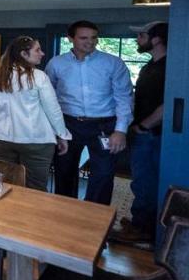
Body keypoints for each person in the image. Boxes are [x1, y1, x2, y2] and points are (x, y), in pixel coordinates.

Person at [45, 20, 132, 204]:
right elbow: (48, 97)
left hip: (105, 125)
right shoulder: (56, 64)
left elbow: (124, 97)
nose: (90, 42)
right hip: (68, 124)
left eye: (94, 38)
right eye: (83, 38)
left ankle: (95, 219)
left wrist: (120, 130)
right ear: (70, 38)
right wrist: (54, 129)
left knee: (103, 174)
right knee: (64, 170)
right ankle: (65, 212)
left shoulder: (113, 63)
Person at [0, 36, 70, 192]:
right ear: (24, 54)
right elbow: (53, 110)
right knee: (35, 187)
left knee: (5, 184)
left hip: (2, 138)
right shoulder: (39, 76)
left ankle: (6, 215)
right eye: (37, 50)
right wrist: (62, 134)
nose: (42, 53)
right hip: (35, 140)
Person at [114, 21, 168, 244]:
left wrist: (144, 126)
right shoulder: (150, 66)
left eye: (142, 35)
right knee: (141, 180)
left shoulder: (169, 68)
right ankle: (140, 223)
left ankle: (144, 231)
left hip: (153, 135)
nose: (138, 39)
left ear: (156, 39)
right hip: (144, 133)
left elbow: (168, 105)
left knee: (146, 182)